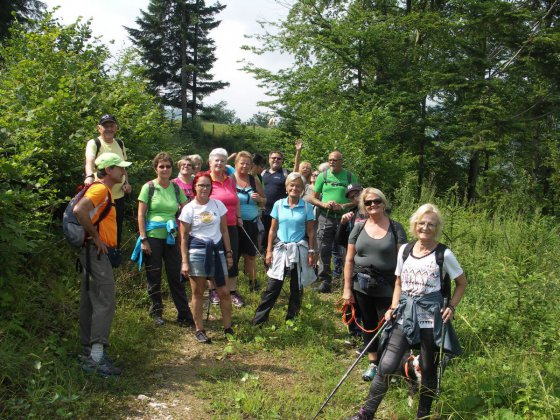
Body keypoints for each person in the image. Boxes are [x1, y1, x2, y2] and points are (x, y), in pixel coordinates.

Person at [351, 203, 467, 420]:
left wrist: (451, 306)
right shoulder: (405, 250)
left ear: (437, 227)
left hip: (430, 317)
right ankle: (366, 413)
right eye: (422, 223)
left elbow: (461, 282)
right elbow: (398, 282)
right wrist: (393, 306)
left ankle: (422, 415)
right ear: (415, 225)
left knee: (426, 368)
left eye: (431, 224)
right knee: (386, 364)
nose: (425, 227)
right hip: (405, 313)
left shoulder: (444, 254)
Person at [74, 152, 132, 376]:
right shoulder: (100, 189)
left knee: (90, 299)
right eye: (120, 168)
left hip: (91, 252)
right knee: (105, 299)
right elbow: (80, 211)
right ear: (109, 170)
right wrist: (96, 238)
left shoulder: (102, 189)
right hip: (96, 251)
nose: (123, 172)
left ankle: (88, 352)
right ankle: (96, 358)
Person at [342, 188, 407, 381]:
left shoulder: (396, 228)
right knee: (368, 325)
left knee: (389, 327)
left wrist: (402, 288)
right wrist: (347, 289)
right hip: (361, 285)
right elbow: (349, 260)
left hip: (388, 286)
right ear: (363, 206)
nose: (372, 205)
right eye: (368, 202)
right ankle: (373, 363)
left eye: (376, 201)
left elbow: (403, 261)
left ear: (384, 203)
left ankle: (390, 366)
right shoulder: (359, 227)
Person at [136, 152, 194, 326]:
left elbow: (187, 209)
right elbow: (140, 215)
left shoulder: (175, 188)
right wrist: (143, 239)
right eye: (161, 166)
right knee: (154, 275)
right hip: (153, 237)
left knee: (176, 276)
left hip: (171, 237)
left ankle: (184, 315)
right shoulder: (149, 187)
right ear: (156, 169)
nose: (165, 169)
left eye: (168, 166)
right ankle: (157, 313)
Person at [252, 173, 316, 325]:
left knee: (296, 286)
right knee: (273, 287)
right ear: (287, 188)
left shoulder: (307, 206)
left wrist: (312, 252)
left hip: (299, 250)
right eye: (291, 185)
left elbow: (311, 231)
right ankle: (258, 321)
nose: (294, 188)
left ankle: (291, 320)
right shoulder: (279, 204)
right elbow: (273, 230)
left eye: (298, 186)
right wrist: (268, 251)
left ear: (302, 189)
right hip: (280, 249)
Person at [179, 172, 234, 343]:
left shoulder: (218, 205)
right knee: (198, 292)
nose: (204, 188)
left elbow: (224, 230)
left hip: (217, 252)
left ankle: (228, 328)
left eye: (208, 185)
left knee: (224, 291)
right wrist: (184, 261)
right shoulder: (188, 208)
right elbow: (184, 237)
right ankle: (199, 329)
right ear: (194, 187)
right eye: (201, 185)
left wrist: (229, 253)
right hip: (197, 253)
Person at [309, 151, 358, 293]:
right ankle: (325, 281)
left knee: (345, 250)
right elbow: (313, 198)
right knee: (324, 249)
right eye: (330, 160)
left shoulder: (349, 176)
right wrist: (324, 204)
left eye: (335, 160)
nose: (331, 162)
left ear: (341, 161)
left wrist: (343, 206)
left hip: (345, 218)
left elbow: (357, 199)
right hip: (326, 216)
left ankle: (345, 282)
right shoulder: (322, 176)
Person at [84, 114, 132, 248]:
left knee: (116, 229)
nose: (109, 129)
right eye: (105, 126)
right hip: (101, 195)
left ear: (116, 127)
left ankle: (114, 256)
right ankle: (97, 256)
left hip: (118, 196)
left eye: (112, 125)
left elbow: (123, 166)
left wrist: (127, 183)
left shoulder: (120, 143)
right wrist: (89, 175)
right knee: (100, 226)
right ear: (99, 128)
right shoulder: (94, 143)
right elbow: (89, 162)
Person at [207, 148, 244, 307]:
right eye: (217, 160)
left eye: (223, 160)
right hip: (211, 226)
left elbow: (235, 200)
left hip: (230, 224)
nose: (220, 163)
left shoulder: (230, 180)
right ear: (210, 162)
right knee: (213, 257)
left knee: (232, 257)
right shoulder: (205, 179)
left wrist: (239, 217)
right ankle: (213, 290)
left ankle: (232, 291)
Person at [233, 151, 266, 291]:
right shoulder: (229, 179)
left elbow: (264, 201)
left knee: (250, 255)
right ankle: (232, 287)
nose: (245, 166)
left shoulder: (254, 180)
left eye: (248, 164)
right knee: (233, 256)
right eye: (242, 163)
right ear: (236, 164)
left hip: (251, 223)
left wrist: (259, 199)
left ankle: (253, 283)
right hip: (233, 224)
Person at [261, 150, 289, 257]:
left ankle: (278, 260)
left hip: (279, 213)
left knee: (277, 238)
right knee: (264, 238)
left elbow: (296, 173)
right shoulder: (263, 173)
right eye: (273, 158)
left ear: (282, 161)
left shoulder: (285, 173)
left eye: (279, 158)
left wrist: (298, 152)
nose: (276, 160)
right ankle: (264, 261)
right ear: (269, 159)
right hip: (264, 212)